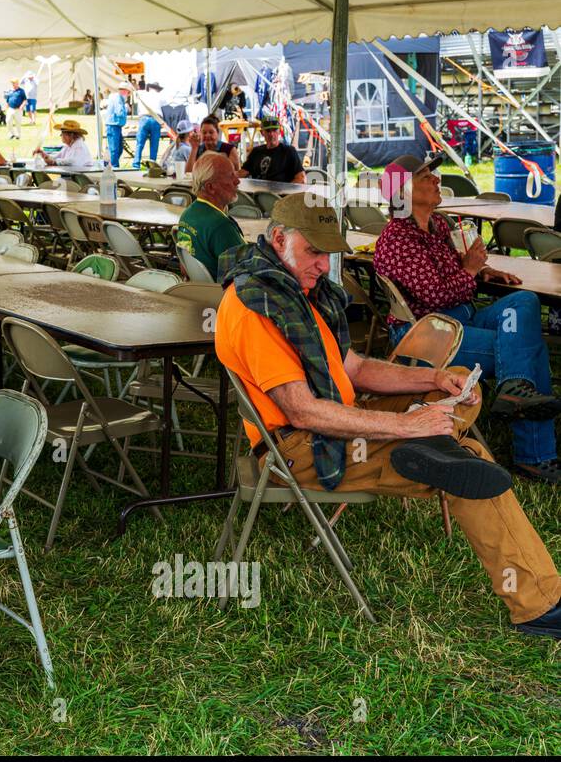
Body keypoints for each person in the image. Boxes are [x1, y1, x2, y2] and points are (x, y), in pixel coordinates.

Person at [215, 193, 561, 641]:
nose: (323, 266)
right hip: (298, 451)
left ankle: (430, 444)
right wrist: (403, 425)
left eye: (328, 254)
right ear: (279, 238)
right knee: (473, 459)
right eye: (314, 252)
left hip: (337, 419)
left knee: (459, 385)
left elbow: (354, 368)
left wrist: (432, 380)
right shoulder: (256, 306)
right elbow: (302, 411)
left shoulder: (291, 291)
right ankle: (538, 603)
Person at [373, 154, 561, 483]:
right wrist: (472, 270)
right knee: (528, 348)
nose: (436, 179)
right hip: (427, 336)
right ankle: (535, 455)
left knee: (521, 302)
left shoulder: (438, 225)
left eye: (434, 173)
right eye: (426, 176)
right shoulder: (398, 240)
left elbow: (454, 270)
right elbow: (436, 296)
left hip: (461, 320)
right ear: (402, 193)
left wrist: (483, 269)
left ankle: (514, 388)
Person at [176, 152, 245, 280]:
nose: (237, 181)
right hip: (220, 294)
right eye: (231, 176)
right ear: (211, 187)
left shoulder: (187, 214)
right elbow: (243, 275)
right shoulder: (221, 226)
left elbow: (184, 268)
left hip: (199, 289)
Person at [239, 117, 305, 184]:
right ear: (262, 132)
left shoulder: (289, 151)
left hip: (280, 193)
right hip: (257, 193)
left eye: (274, 130)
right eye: (268, 131)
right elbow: (243, 172)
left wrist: (285, 191)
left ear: (279, 131)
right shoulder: (256, 152)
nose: (271, 134)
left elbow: (301, 178)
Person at [130, 82, 164, 169]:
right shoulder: (160, 96)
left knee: (140, 143)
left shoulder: (142, 94)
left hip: (144, 118)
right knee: (154, 144)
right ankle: (152, 166)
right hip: (156, 119)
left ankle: (136, 164)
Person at [104, 81, 131, 168]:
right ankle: (113, 167)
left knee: (118, 149)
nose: (128, 94)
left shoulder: (116, 97)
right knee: (115, 149)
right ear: (125, 91)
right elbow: (119, 112)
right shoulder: (118, 98)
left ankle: (112, 165)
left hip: (115, 126)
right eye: (128, 92)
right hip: (113, 126)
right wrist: (126, 109)